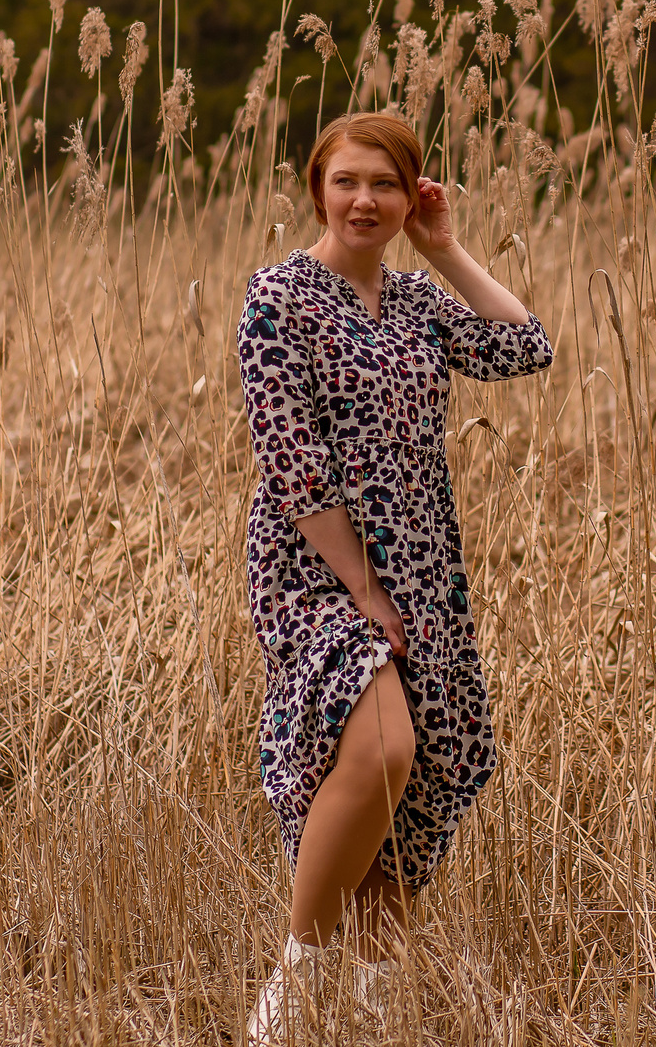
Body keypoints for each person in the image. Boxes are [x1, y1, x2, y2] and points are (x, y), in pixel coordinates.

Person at [234, 112, 553, 1040]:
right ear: (317, 188)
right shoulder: (278, 297)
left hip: (423, 559)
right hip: (315, 562)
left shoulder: (416, 301)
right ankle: (297, 977)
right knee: (380, 748)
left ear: (410, 194)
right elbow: (290, 458)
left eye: (384, 183)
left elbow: (527, 346)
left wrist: (446, 248)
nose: (363, 200)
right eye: (346, 182)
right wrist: (362, 586)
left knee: (435, 764)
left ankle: (370, 990)